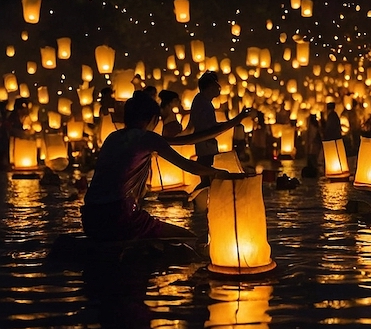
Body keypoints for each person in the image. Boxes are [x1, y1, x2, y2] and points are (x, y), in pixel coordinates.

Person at [81, 93, 251, 242]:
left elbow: (183, 141)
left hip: (90, 217)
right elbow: (188, 164)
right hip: (119, 218)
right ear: (153, 120)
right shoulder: (147, 138)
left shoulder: (112, 137)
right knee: (188, 238)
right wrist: (217, 173)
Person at [189, 71, 252, 188]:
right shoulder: (203, 103)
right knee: (208, 177)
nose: (219, 88)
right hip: (206, 147)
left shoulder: (202, 101)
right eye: (215, 85)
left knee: (208, 176)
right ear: (209, 87)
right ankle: (199, 201)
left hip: (205, 146)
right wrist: (238, 118)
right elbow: (208, 128)